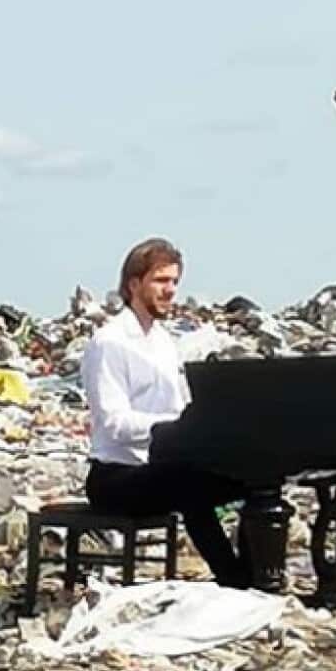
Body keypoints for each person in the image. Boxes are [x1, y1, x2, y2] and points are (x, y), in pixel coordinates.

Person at [80, 237, 249, 587]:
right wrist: (175, 427)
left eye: (174, 282)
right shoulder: (109, 342)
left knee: (255, 478)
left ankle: (255, 572)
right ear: (133, 284)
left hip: (161, 465)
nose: (170, 290)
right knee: (189, 486)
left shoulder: (164, 342)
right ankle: (235, 581)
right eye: (160, 281)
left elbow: (180, 406)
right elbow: (113, 423)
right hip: (116, 475)